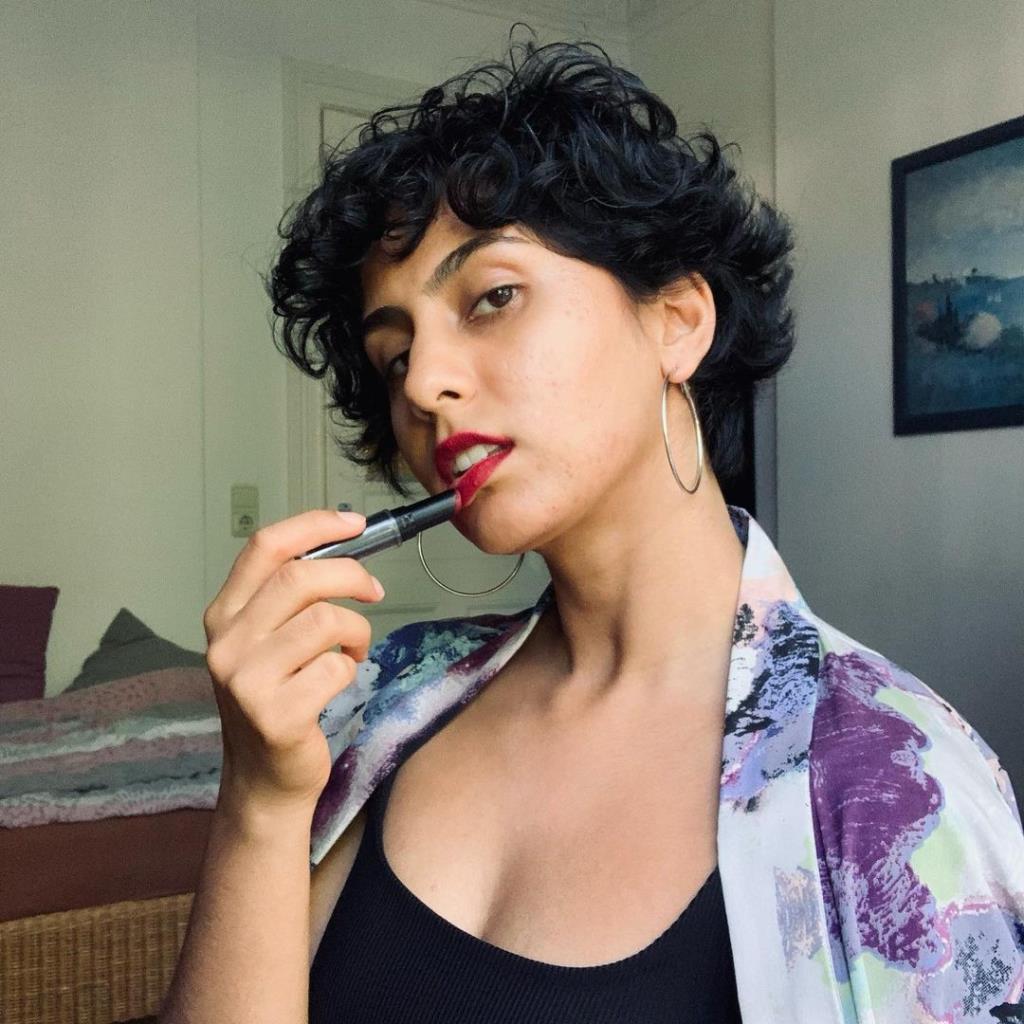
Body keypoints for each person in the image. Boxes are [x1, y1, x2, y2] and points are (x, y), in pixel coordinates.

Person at [159, 32, 1024, 1024]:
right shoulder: (381, 701)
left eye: (493, 297)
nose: (426, 384)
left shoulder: (898, 784)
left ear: (677, 321)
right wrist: (259, 803)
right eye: (394, 356)